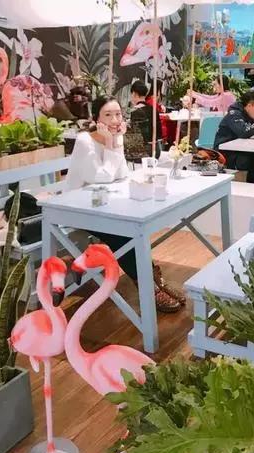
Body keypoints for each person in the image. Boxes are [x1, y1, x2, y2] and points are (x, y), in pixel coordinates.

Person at [64, 96, 183, 313]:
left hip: (101, 205)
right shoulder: (84, 141)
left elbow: (121, 174)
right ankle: (148, 286)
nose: (114, 120)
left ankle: (152, 279)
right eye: (108, 115)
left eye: (118, 114)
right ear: (96, 119)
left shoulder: (113, 138)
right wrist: (112, 143)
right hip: (78, 209)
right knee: (123, 233)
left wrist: (116, 141)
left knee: (132, 229)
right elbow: (100, 178)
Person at [213, 90, 254, 184]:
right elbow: (243, 132)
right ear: (249, 106)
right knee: (250, 159)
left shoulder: (251, 115)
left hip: (239, 149)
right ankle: (246, 185)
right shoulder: (234, 114)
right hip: (225, 152)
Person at [129, 80, 162, 156]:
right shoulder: (154, 109)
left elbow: (136, 135)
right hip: (156, 149)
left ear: (134, 93)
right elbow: (159, 133)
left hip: (144, 150)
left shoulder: (135, 111)